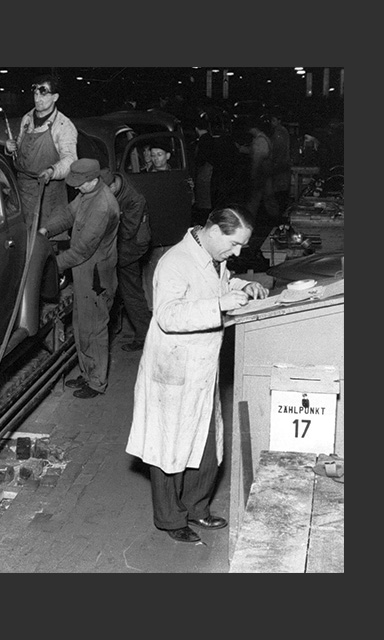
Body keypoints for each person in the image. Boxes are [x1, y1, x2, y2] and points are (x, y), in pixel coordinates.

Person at [126, 206, 269, 543]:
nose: (235, 253)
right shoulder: (175, 262)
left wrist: (242, 285)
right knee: (169, 446)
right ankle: (171, 519)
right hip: (174, 368)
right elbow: (168, 315)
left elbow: (213, 285)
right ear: (216, 231)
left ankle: (196, 507)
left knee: (206, 443)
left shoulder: (211, 256)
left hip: (203, 366)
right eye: (234, 245)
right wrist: (221, 305)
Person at [40, 159, 119, 399]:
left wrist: (52, 265)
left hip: (96, 274)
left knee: (94, 328)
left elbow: (83, 249)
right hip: (83, 270)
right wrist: (46, 229)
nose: (75, 188)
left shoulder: (103, 206)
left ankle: (96, 382)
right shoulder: (87, 193)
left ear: (93, 180)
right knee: (81, 324)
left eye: (79, 184)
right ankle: (87, 373)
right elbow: (68, 214)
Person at [5, 74, 78, 229]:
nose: (37, 99)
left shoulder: (64, 125)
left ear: (55, 97)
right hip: (22, 189)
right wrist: (11, 148)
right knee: (16, 233)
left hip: (47, 194)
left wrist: (52, 171)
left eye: (43, 95)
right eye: (36, 94)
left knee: (43, 241)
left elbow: (71, 160)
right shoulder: (27, 118)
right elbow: (22, 149)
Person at [100, 169, 152, 352]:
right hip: (121, 243)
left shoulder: (134, 199)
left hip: (131, 247)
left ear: (113, 185)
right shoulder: (115, 185)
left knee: (131, 290)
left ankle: (144, 335)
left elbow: (127, 231)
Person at [238, 118, 279, 220]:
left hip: (261, 174)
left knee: (254, 200)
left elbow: (257, 159)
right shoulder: (263, 138)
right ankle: (276, 220)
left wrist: (253, 174)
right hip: (266, 173)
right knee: (268, 198)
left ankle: (248, 221)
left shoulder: (260, 140)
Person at [269, 111, 291, 214]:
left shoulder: (279, 133)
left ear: (279, 121)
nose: (272, 123)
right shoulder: (282, 131)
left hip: (280, 165)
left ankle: (280, 214)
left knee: (279, 192)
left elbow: (278, 149)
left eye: (274, 120)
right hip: (282, 164)